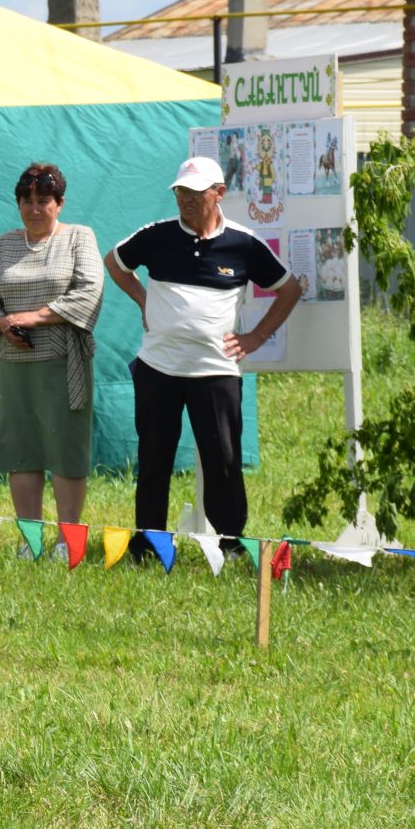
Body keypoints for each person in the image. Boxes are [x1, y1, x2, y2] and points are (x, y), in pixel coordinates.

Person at [105, 155, 297, 549]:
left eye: (195, 193)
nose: (186, 200)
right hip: (159, 367)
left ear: (219, 193)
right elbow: (115, 262)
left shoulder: (244, 243)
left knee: (223, 462)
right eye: (180, 192)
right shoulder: (155, 235)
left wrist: (256, 337)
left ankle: (229, 545)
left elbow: (289, 289)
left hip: (216, 371)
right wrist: (143, 299)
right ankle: (150, 545)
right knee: (154, 459)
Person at [0, 164, 102, 537]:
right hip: (12, 365)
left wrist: (33, 318)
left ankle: (68, 538)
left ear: (59, 203)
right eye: (26, 200)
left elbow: (88, 291)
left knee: (65, 451)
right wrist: (2, 323)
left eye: (43, 200)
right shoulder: (5, 243)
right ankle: (31, 540)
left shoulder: (79, 237)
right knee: (20, 451)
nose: (34, 208)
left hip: (63, 362)